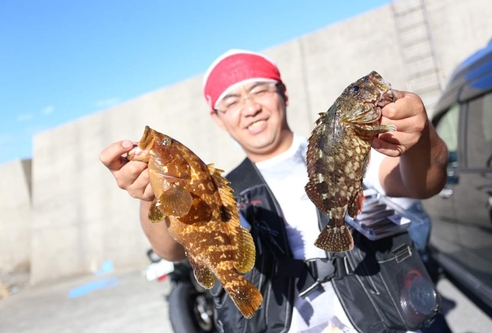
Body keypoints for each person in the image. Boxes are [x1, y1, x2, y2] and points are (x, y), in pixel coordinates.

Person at [100, 50, 450, 332]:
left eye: (259, 89)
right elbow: (171, 249)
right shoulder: (220, 187)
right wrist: (150, 195)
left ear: (283, 93)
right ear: (217, 118)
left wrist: (419, 139)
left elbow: (422, 183)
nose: (250, 107)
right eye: (232, 101)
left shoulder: (349, 145)